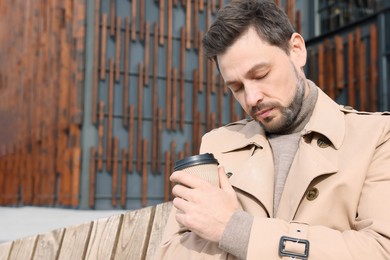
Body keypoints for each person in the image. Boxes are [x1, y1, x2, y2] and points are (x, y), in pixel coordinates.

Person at [157, 0, 390, 259]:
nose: (251, 98)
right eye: (236, 87)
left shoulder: (377, 137)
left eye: (261, 74)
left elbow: (381, 250)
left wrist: (233, 229)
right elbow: (173, 251)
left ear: (297, 50)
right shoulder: (217, 145)